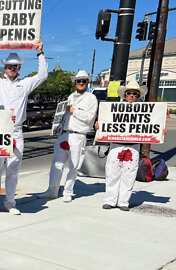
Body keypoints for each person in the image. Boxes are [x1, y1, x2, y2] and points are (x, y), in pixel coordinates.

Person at [0, 39, 48, 215]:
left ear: (19, 67)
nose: (12, 68)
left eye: (15, 66)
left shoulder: (25, 84)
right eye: (9, 66)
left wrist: (40, 53)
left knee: (13, 168)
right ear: (4, 67)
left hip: (16, 130)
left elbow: (42, 75)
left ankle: (10, 202)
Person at [97, 81, 167, 211]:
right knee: (113, 173)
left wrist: (160, 131)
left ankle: (123, 201)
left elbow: (153, 125)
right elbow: (104, 123)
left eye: (135, 94)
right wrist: (98, 125)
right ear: (124, 94)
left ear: (139, 96)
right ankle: (110, 200)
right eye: (129, 93)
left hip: (133, 146)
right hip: (116, 145)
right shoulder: (113, 109)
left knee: (129, 174)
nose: (132, 96)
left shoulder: (146, 111)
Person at [38, 70, 98, 202]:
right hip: (64, 134)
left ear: (87, 83)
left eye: (83, 81)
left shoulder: (91, 98)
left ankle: (68, 191)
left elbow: (90, 118)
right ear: (75, 83)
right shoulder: (70, 96)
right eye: (78, 81)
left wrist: (74, 111)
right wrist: (57, 128)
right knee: (56, 163)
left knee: (74, 165)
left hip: (78, 135)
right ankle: (52, 189)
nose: (81, 83)